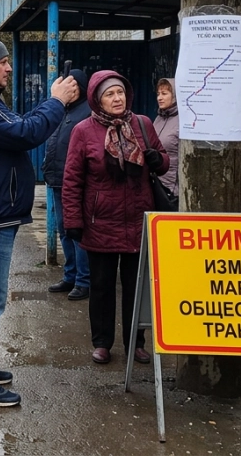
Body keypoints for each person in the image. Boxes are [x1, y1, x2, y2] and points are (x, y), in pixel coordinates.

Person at [0, 35, 79, 407]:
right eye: (2, 61)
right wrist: (56, 100)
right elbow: (26, 132)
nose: (9, 67)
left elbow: (20, 126)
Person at [62, 70, 168, 366]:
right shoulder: (83, 131)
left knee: (137, 286)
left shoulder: (142, 124)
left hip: (138, 219)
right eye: (109, 94)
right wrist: (73, 219)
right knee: (102, 286)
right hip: (100, 222)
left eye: (120, 92)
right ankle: (102, 343)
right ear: (97, 99)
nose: (117, 98)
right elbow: (72, 180)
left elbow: (162, 158)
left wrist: (159, 160)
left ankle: (136, 342)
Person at [42, 68, 92, 301]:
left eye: (72, 84)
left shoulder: (88, 112)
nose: (67, 89)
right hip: (57, 180)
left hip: (76, 184)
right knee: (63, 229)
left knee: (77, 231)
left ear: (80, 87)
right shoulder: (62, 110)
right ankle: (70, 275)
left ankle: (84, 280)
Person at [154, 78, 180, 194]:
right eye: (158, 94)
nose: (159, 98)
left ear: (175, 96)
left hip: (173, 188)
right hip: (156, 184)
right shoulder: (158, 119)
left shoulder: (183, 121)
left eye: (164, 94)